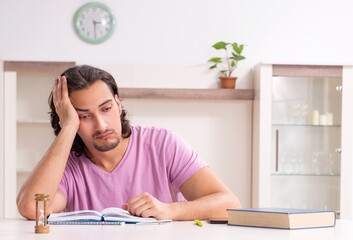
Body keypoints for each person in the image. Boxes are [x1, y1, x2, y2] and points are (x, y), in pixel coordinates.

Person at [16, 65, 241, 221]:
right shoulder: (65, 165)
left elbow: (229, 204)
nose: (101, 125)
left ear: (118, 104)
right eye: (84, 116)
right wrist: (67, 129)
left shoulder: (163, 144)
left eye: (106, 109)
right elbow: (32, 209)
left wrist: (170, 210)